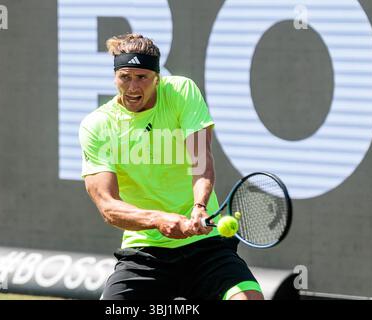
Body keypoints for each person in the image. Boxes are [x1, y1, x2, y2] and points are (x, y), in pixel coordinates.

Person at [79, 33, 264, 300]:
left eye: (141, 77)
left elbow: (201, 162)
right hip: (145, 253)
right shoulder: (96, 125)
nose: (132, 87)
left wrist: (199, 206)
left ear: (157, 78)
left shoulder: (181, 93)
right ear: (114, 76)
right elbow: (108, 207)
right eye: (125, 76)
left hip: (207, 248)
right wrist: (158, 220)